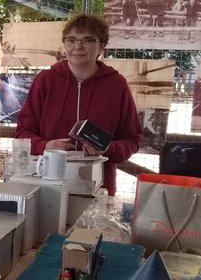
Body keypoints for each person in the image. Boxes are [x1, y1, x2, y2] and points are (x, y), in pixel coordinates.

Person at [15, 13, 141, 195]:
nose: (78, 46)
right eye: (71, 40)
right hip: (46, 183)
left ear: (101, 46)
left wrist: (108, 148)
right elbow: (23, 133)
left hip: (97, 186)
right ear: (64, 45)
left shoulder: (116, 85)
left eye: (88, 40)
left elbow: (132, 139)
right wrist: (44, 146)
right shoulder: (45, 81)